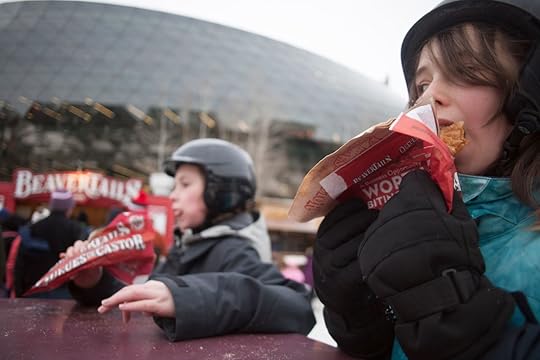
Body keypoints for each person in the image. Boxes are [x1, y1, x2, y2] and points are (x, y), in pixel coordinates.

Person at [313, 1, 540, 359]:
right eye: (421, 83)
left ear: (528, 98)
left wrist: (473, 344)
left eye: (466, 70)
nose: (429, 97)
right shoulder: (413, 217)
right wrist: (361, 315)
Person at [66, 138, 315, 341]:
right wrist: (94, 282)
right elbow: (146, 299)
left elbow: (297, 306)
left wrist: (184, 298)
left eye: (184, 185)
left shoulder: (234, 249)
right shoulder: (190, 245)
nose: (172, 196)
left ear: (218, 192)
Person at [14, 189, 85, 298]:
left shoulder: (34, 227)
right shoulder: (76, 229)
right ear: (69, 208)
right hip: (65, 290)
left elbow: (20, 263)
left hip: (35, 289)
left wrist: (19, 290)